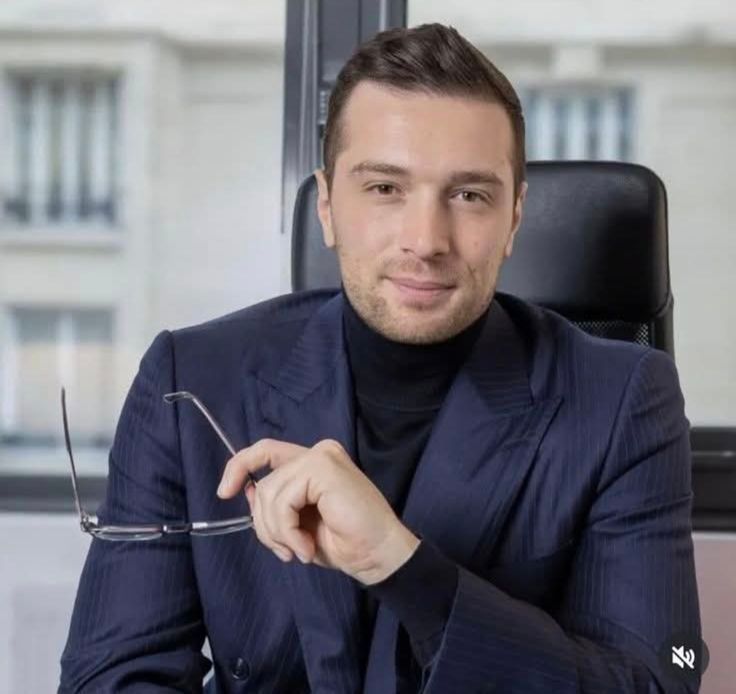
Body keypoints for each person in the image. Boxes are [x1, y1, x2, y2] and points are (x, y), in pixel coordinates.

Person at [59, 23, 702, 694]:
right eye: (385, 189)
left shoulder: (624, 398)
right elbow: (110, 678)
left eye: (469, 195)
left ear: (514, 218)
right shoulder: (187, 381)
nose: (425, 241)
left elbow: (668, 676)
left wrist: (403, 566)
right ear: (327, 205)